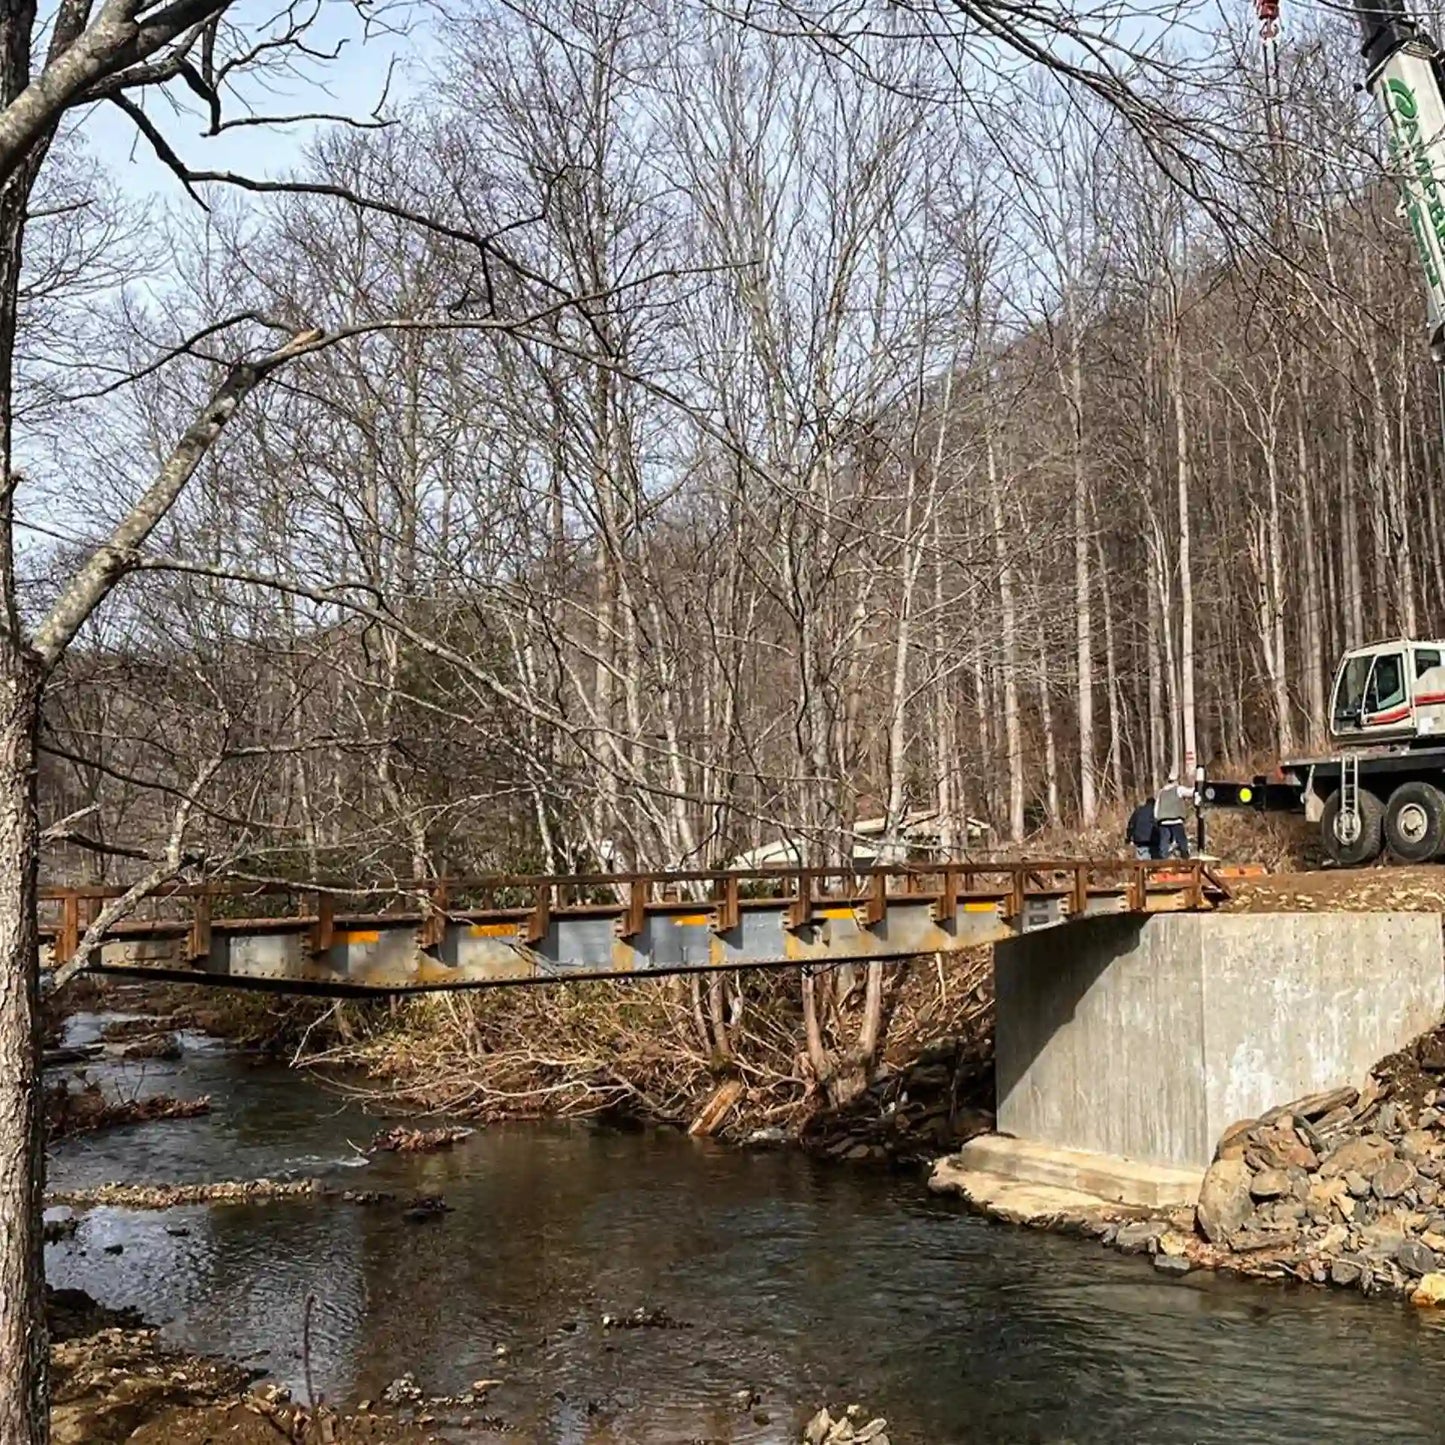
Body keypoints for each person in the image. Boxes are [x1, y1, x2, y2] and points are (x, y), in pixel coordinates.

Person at [1154, 773, 1190, 858]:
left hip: (1163, 821)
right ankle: (1185, 857)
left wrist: (1157, 819)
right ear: (1176, 781)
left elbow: (1156, 807)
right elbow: (1190, 792)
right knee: (1181, 840)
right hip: (1176, 819)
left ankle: (1164, 859)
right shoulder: (1178, 789)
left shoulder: (1161, 792)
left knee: (1164, 841)